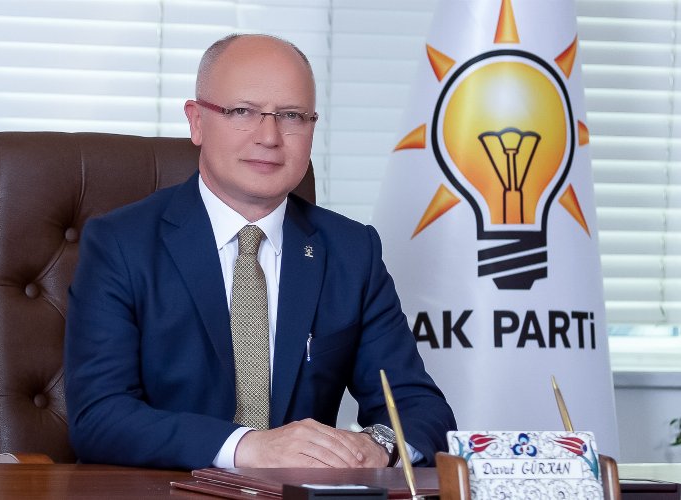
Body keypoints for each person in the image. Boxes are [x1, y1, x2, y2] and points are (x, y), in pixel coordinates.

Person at [64, 33, 455, 471]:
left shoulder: (351, 251)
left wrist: (378, 445)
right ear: (196, 121)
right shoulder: (120, 244)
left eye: (291, 116)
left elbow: (420, 408)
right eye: (242, 112)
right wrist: (247, 447)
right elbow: (98, 416)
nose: (269, 137)